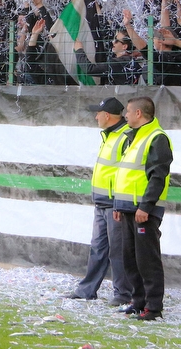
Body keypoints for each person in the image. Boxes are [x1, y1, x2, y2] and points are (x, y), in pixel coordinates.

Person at [67, 97, 132, 304]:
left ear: (107, 116)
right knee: (98, 247)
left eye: (98, 113)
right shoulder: (110, 136)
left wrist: (121, 203)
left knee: (118, 250)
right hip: (103, 201)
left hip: (115, 203)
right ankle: (87, 290)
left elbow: (127, 173)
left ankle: (123, 293)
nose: (96, 117)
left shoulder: (124, 137)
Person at [113, 96, 173, 321]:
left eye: (128, 111)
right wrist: (119, 204)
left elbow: (158, 176)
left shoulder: (157, 138)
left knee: (147, 260)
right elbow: (127, 174)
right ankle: (138, 302)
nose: (125, 115)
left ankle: (153, 307)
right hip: (128, 207)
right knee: (131, 258)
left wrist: (146, 206)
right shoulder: (134, 137)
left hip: (143, 210)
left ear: (139, 114)